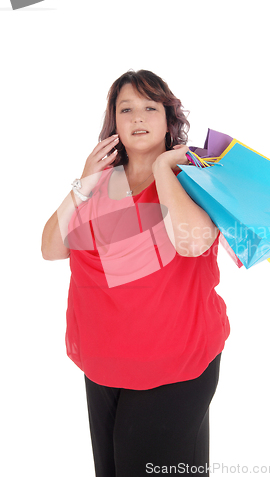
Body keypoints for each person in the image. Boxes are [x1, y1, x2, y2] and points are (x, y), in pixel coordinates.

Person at [41, 69, 230, 476]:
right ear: (114, 123)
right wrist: (82, 182)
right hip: (104, 363)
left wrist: (163, 167)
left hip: (175, 365)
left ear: (168, 119)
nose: (138, 118)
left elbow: (193, 242)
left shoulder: (194, 175)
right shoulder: (99, 185)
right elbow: (51, 249)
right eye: (126, 109)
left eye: (149, 107)